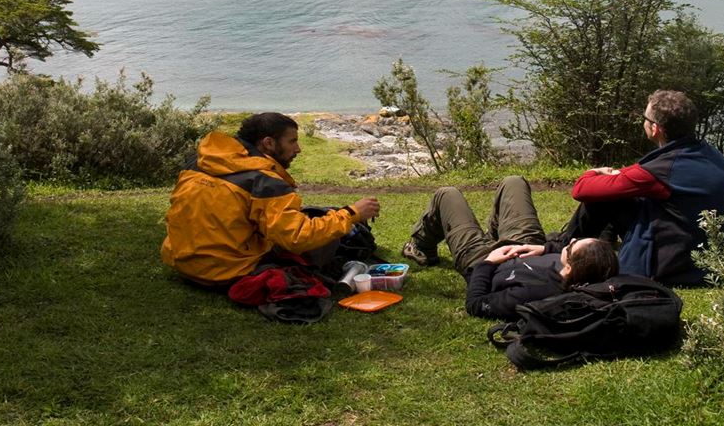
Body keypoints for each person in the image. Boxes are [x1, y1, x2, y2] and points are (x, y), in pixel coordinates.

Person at [546, 90, 724, 286]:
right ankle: (590, 243)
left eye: (645, 118)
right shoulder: (710, 155)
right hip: (719, 259)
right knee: (618, 193)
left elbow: (581, 190)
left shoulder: (663, 170)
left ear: (655, 128)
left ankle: (567, 248)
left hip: (675, 264)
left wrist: (593, 172)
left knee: (601, 197)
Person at [161, 112, 380, 287]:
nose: (298, 149)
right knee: (325, 235)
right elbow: (297, 238)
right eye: (292, 141)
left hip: (183, 264)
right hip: (225, 271)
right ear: (268, 143)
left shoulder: (199, 163)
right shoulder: (264, 182)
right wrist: (352, 213)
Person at [401, 176, 618, 320]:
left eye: (571, 248)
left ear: (569, 269)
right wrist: (544, 249)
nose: (569, 242)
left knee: (446, 194)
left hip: (481, 259)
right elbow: (566, 252)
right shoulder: (588, 269)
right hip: (525, 244)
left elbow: (476, 304)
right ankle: (496, 233)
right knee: (513, 181)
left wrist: (488, 263)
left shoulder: (534, 293)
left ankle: (421, 246)